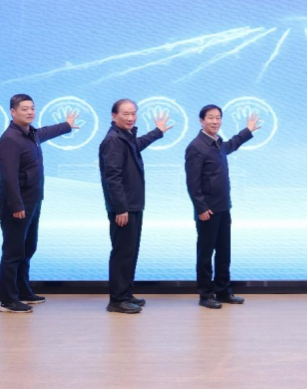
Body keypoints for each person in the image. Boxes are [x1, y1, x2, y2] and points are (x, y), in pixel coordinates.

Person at [0, 94, 79, 313]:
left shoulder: (31, 134)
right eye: (24, 109)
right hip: (16, 205)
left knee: (27, 248)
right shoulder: (9, 139)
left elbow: (46, 132)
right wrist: (17, 205)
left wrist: (66, 126)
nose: (30, 112)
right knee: (13, 252)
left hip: (33, 201)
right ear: (13, 112)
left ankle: (23, 291)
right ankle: (8, 300)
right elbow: (8, 177)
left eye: (32, 108)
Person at [99, 99, 172, 314]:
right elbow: (112, 177)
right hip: (124, 207)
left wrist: (157, 132)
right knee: (122, 252)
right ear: (114, 116)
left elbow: (137, 146)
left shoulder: (125, 137)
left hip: (133, 204)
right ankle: (117, 300)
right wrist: (120, 208)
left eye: (133, 113)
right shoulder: (113, 140)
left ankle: (125, 293)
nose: (131, 118)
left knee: (130, 251)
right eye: (126, 114)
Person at [185, 104, 260, 309]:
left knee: (224, 252)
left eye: (218, 117)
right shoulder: (196, 146)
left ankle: (223, 291)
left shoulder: (217, 142)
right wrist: (201, 208)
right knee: (205, 254)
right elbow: (192, 182)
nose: (215, 121)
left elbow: (232, 145)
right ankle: (205, 295)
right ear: (201, 121)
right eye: (210, 117)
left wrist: (248, 130)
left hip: (223, 207)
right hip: (207, 210)